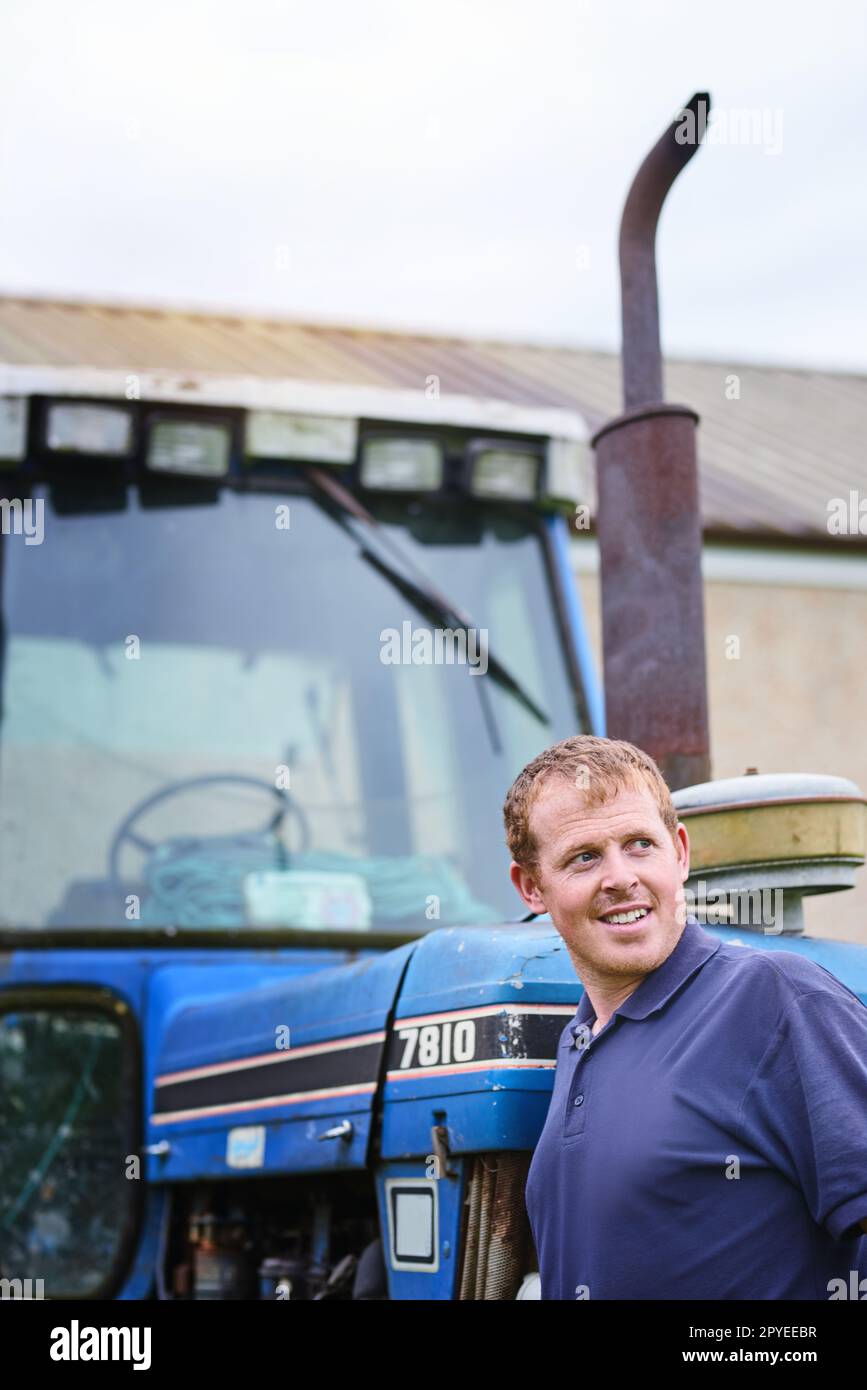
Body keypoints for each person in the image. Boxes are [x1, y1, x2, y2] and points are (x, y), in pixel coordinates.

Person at [504, 733, 867, 1300]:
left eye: (640, 844)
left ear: (681, 853)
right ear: (532, 887)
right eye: (584, 857)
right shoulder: (578, 1045)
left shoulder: (775, 1000)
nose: (621, 876)